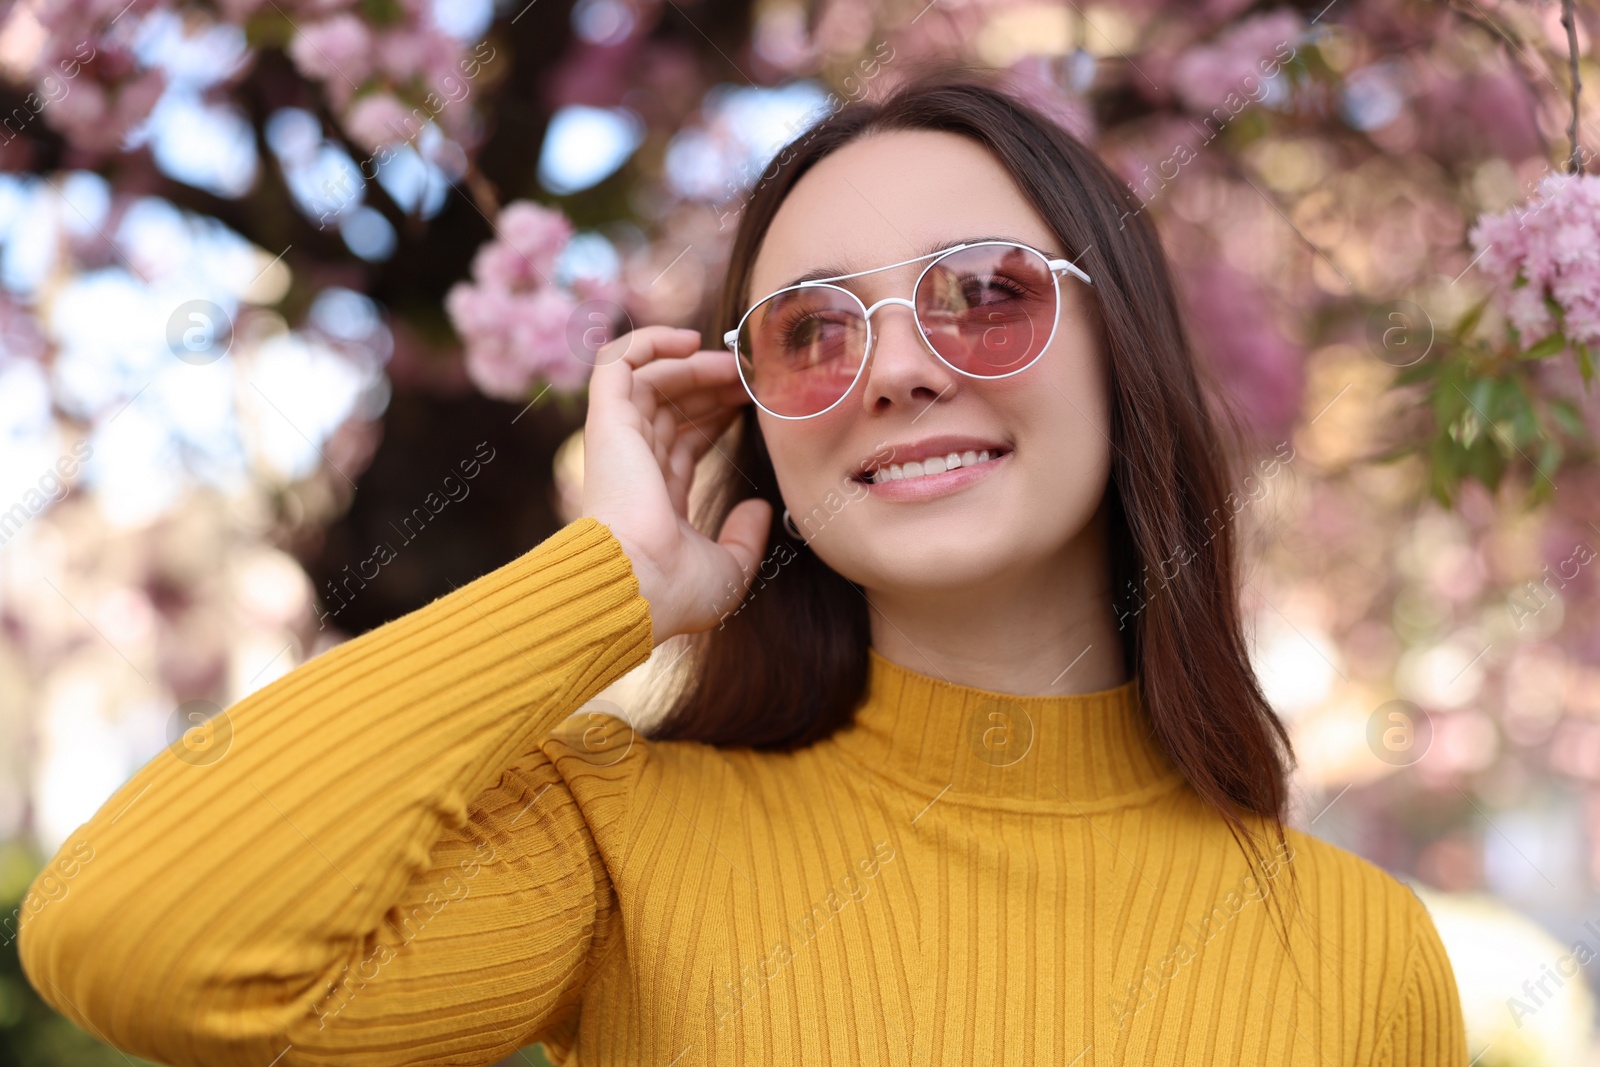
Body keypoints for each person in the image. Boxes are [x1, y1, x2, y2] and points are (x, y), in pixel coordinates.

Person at [19, 70, 1467, 1065]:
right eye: (813, 331)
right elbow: (136, 943)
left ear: (1125, 354)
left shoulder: (1362, 957)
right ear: (760, 411)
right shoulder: (619, 845)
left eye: (983, 295)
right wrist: (607, 580)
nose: (895, 369)